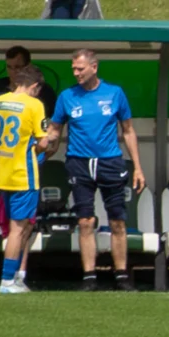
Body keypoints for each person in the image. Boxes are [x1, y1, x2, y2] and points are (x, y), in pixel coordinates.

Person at [44, 48, 146, 291]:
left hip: (110, 162)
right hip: (79, 162)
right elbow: (55, 131)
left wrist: (138, 168)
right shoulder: (67, 96)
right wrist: (45, 148)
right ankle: (89, 277)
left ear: (94, 67)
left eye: (80, 69)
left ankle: (121, 276)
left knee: (118, 221)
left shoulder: (114, 93)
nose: (76, 73)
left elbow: (129, 131)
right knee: (86, 221)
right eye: (74, 70)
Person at [0, 48, 58, 290]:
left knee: (8, 223)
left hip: (1, 170)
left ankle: (10, 278)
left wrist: (3, 150)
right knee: (19, 226)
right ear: (35, 86)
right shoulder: (35, 105)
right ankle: (8, 280)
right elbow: (44, 142)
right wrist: (30, 150)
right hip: (24, 173)